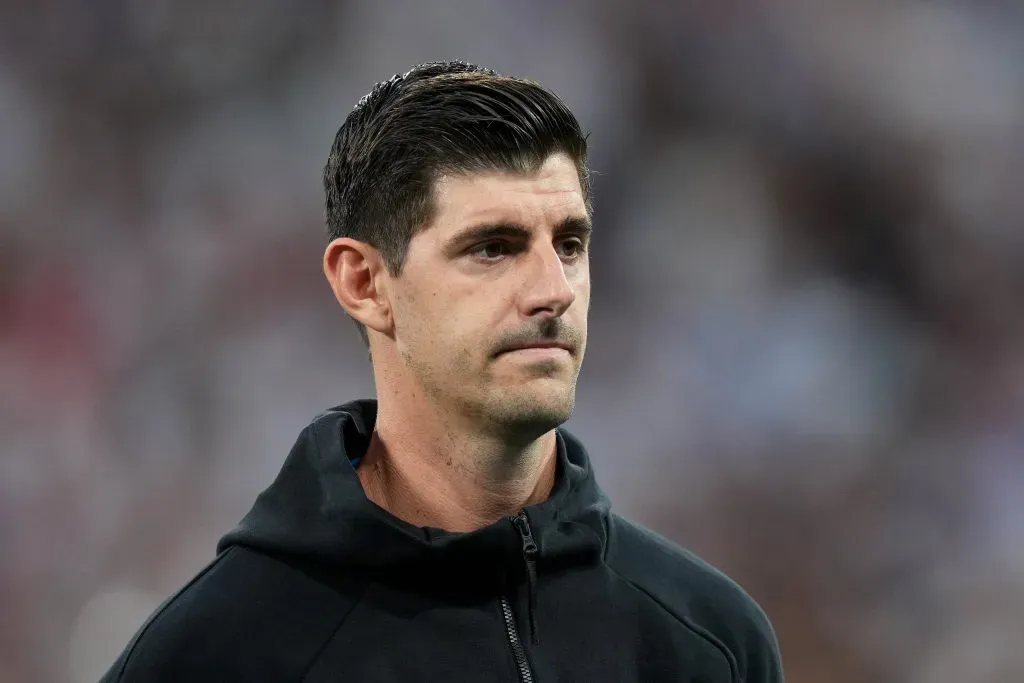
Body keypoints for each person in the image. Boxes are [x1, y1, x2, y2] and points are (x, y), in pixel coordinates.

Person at [100, 61, 784, 682]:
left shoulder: (710, 641)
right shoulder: (212, 656)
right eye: (493, 247)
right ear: (365, 282)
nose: (554, 289)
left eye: (569, 244)